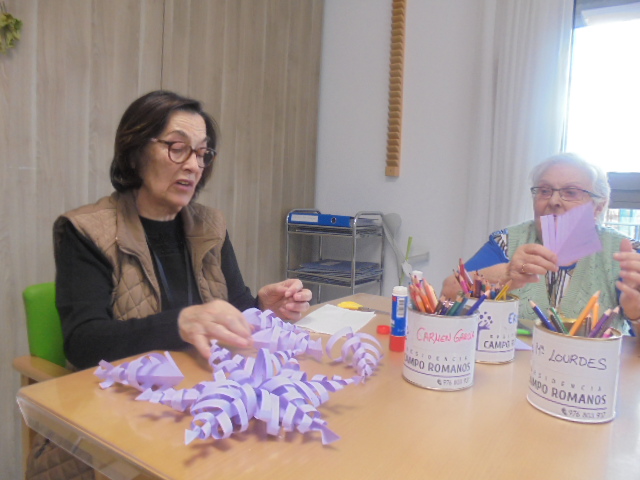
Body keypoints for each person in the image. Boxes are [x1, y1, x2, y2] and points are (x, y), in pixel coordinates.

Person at [53, 90, 312, 370]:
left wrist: (262, 307)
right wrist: (180, 323)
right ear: (134, 154)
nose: (193, 165)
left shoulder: (211, 225)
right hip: (125, 388)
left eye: (202, 153)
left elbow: (233, 307)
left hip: (204, 382)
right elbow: (83, 343)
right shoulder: (87, 230)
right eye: (177, 148)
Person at [442, 153, 640, 332]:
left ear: (598, 207)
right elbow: (448, 292)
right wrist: (507, 273)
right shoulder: (507, 242)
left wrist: (636, 315)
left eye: (571, 192)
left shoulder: (625, 252)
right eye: (544, 191)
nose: (553, 201)